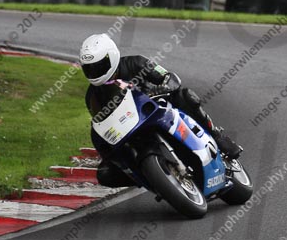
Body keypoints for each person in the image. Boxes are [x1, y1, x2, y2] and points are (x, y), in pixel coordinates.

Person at [79, 33, 241, 187]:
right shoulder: (91, 95)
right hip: (131, 128)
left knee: (185, 96)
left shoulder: (136, 63)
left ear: (112, 56)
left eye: (100, 66)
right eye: (90, 69)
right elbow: (103, 122)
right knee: (105, 173)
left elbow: (166, 76)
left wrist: (165, 85)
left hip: (157, 108)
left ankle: (216, 135)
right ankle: (147, 178)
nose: (95, 73)